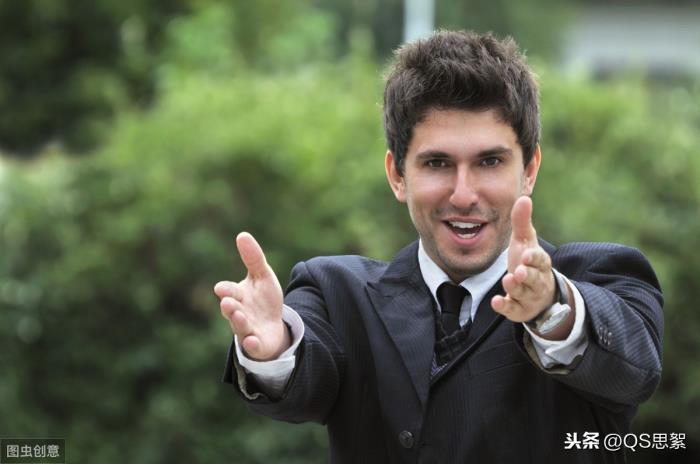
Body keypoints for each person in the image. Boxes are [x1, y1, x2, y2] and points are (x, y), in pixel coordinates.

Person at [214, 30, 663, 463]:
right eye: (437, 163)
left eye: (490, 161)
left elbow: (635, 368)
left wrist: (551, 308)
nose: (464, 194)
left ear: (529, 169)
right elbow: (304, 379)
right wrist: (274, 350)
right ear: (397, 175)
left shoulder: (603, 276)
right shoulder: (334, 293)